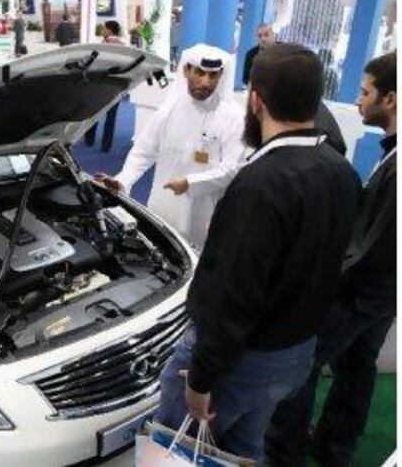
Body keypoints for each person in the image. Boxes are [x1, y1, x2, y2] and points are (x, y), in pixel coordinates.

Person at [155, 43, 361, 463]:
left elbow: (233, 299)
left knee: (176, 451)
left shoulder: (260, 184)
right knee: (244, 448)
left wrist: (199, 379)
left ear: (256, 100)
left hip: (239, 363)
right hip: (294, 356)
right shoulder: (341, 171)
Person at [265, 51, 397, 467]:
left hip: (360, 294)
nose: (359, 102)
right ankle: (334, 448)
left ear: (390, 99)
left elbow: (371, 246)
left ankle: (284, 453)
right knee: (357, 369)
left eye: (365, 92)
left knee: (298, 366)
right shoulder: (391, 152)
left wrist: (319, 281)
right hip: (384, 295)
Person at [96, 43, 245, 249]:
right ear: (186, 70)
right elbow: (143, 151)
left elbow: (232, 169)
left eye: (213, 76)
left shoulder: (233, 116)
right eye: (200, 73)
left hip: (204, 212)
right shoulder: (170, 109)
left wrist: (189, 183)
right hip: (163, 204)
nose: (205, 82)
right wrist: (122, 180)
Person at [84, 21, 126, 151]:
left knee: (94, 113)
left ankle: (89, 140)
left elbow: (96, 64)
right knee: (111, 117)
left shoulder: (104, 45)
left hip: (101, 83)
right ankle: (106, 146)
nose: (102, 30)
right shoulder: (124, 46)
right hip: (117, 84)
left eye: (104, 28)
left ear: (109, 30)